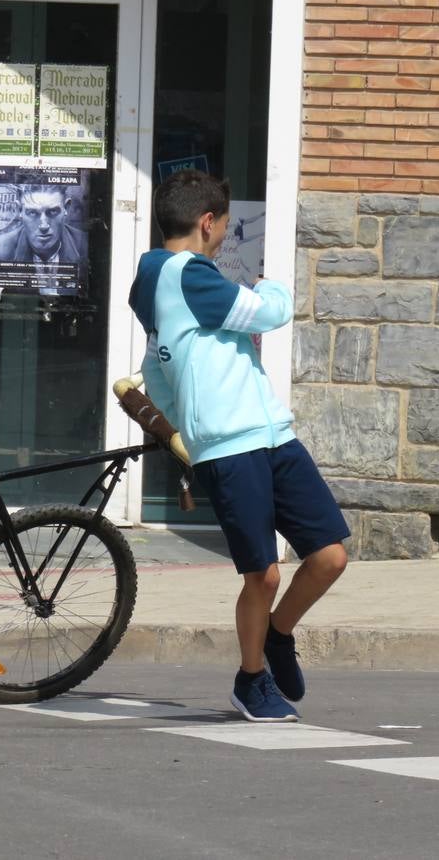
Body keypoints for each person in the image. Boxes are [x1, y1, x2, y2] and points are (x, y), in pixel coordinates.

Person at [128, 169, 350, 723]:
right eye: (224, 228)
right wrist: (270, 282)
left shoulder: (168, 280)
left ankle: (278, 635)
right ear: (207, 223)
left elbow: (163, 367)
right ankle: (251, 682)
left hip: (273, 433)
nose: (225, 238)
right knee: (264, 574)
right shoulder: (183, 274)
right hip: (229, 448)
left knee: (329, 557)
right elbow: (271, 312)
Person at [0, 184, 87, 294]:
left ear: (66, 208)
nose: (43, 226)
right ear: (19, 210)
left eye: (53, 212)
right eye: (32, 213)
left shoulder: (87, 247)